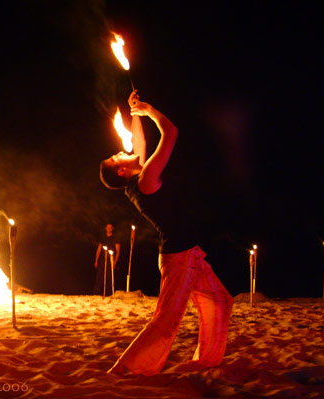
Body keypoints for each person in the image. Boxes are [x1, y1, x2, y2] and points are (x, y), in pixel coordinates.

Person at [100, 91, 233, 375]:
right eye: (117, 156)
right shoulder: (146, 180)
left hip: (190, 253)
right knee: (166, 321)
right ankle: (126, 370)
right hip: (179, 257)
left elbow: (141, 142)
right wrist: (149, 111)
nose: (123, 149)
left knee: (221, 301)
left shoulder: (139, 177)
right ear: (123, 170)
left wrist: (134, 112)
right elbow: (170, 133)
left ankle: (206, 362)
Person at [93, 223, 121, 295]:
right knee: (99, 277)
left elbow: (118, 251)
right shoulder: (103, 238)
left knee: (109, 277)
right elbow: (99, 249)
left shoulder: (115, 238)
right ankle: (96, 293)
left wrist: (114, 262)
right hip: (102, 260)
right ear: (105, 228)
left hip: (110, 260)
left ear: (112, 228)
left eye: (110, 227)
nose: (109, 229)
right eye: (107, 227)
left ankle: (108, 294)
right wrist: (96, 260)